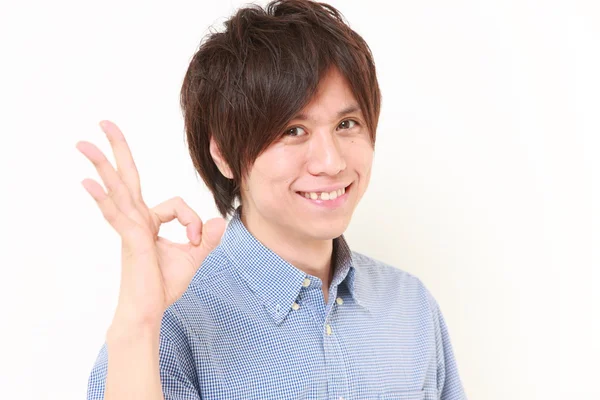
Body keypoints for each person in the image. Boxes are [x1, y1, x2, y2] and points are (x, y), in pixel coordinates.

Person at [80, 0, 467, 399]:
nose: (331, 162)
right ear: (225, 155)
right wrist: (140, 325)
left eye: (346, 124)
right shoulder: (167, 325)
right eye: (293, 130)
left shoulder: (410, 306)